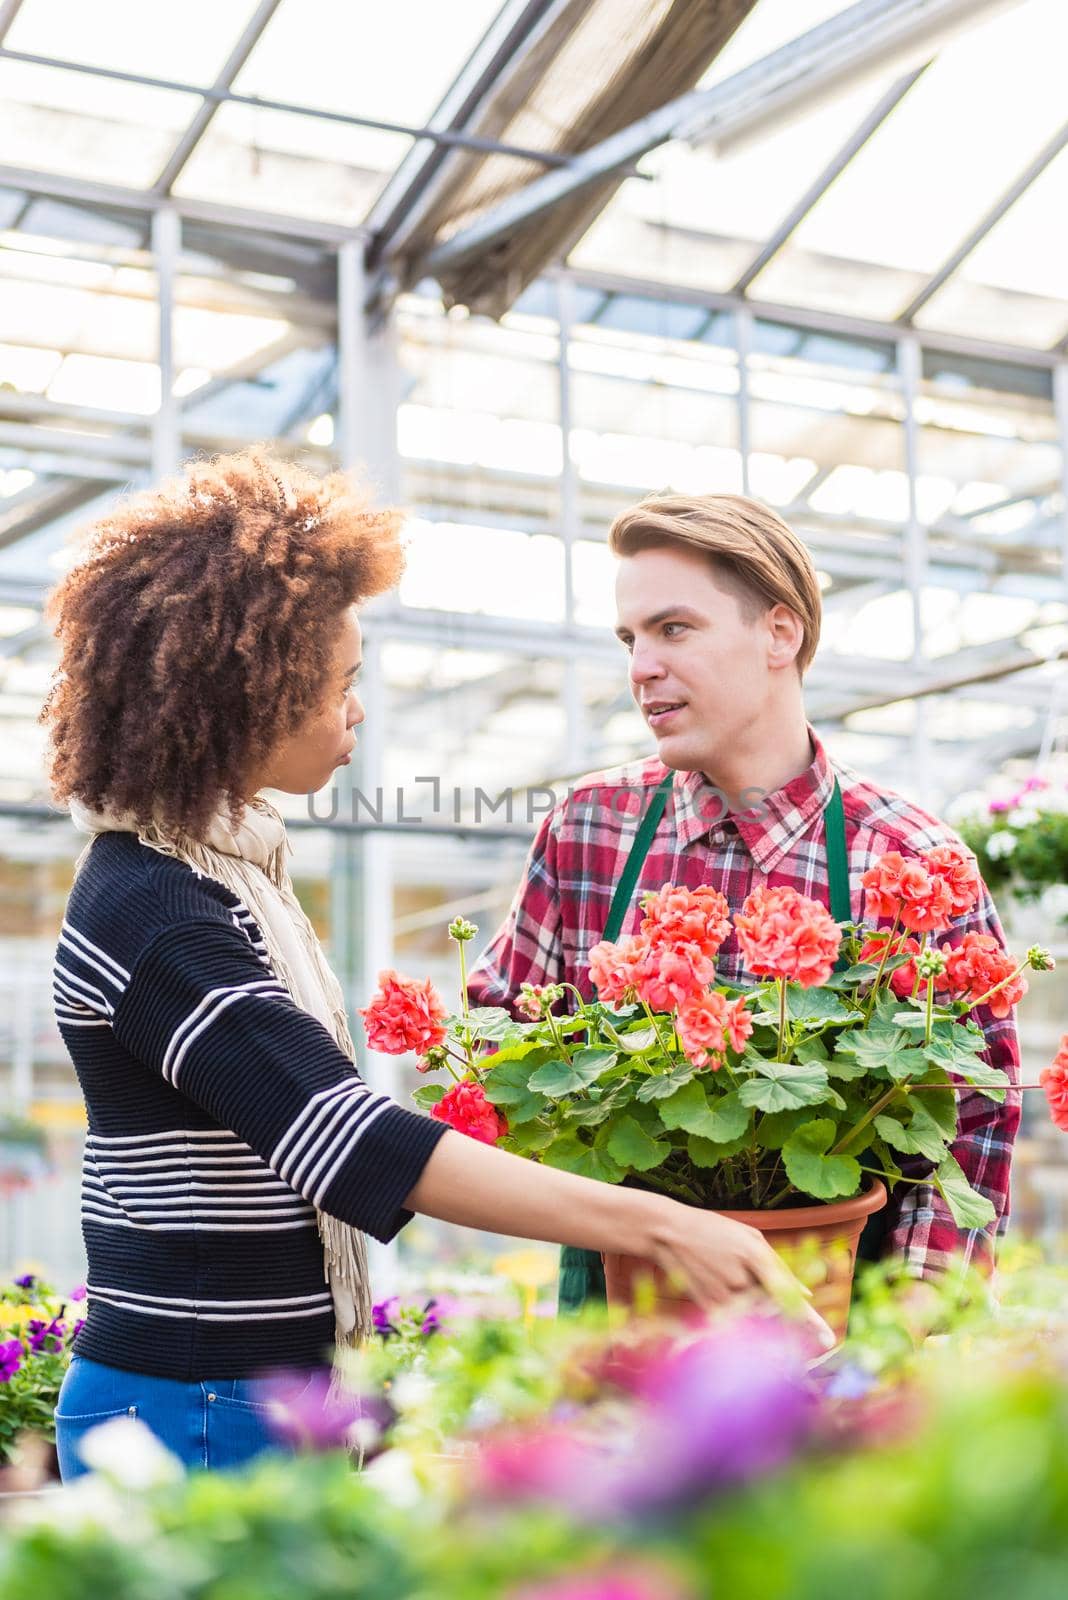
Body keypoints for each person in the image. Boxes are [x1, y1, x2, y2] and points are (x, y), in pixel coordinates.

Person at [43, 453, 826, 1481]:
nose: (356, 711)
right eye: (340, 685)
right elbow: (342, 1138)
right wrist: (664, 1223)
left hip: (242, 1394)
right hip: (192, 1408)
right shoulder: (152, 910)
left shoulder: (225, 876)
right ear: (250, 693)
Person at [467, 493, 1020, 1312]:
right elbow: (498, 1049)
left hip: (834, 1338)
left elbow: (974, 1115)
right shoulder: (588, 829)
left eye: (674, 628)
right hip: (619, 1323)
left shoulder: (909, 857)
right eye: (631, 638)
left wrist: (904, 1329)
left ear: (780, 632)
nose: (639, 667)